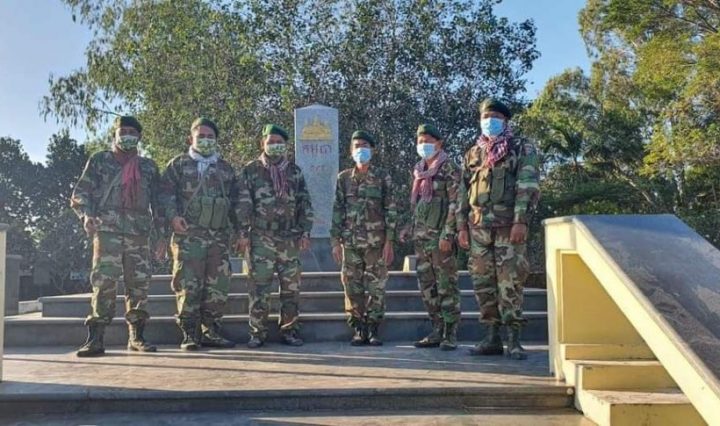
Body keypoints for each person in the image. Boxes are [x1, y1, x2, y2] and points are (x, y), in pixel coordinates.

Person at [71, 115, 164, 357]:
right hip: (107, 231)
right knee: (104, 283)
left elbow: (159, 203)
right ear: (114, 134)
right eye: (123, 132)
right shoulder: (100, 161)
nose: (127, 136)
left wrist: (162, 236)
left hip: (138, 233)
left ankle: (137, 337)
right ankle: (96, 339)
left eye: (132, 132)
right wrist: (86, 215)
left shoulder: (148, 167)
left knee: (139, 285)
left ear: (139, 137)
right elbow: (81, 193)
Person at [457, 98, 540, 360]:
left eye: (494, 117)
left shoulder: (521, 147)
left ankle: (514, 340)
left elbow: (527, 185)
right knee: (483, 283)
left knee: (510, 282)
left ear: (505, 121)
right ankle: (491, 337)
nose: (489, 121)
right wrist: (461, 227)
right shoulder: (473, 153)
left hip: (508, 227)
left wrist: (520, 221)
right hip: (478, 229)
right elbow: (462, 192)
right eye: (485, 117)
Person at [161, 117, 238, 350]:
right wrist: (173, 217)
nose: (206, 140)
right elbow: (165, 194)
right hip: (188, 235)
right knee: (188, 284)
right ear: (190, 139)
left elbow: (237, 200)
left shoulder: (225, 168)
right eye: (201, 136)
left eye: (210, 137)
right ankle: (189, 333)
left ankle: (210, 330)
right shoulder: (178, 165)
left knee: (218, 286)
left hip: (218, 237)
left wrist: (239, 231)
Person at [237, 124, 314, 348]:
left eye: (279, 142)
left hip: (289, 237)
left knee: (291, 288)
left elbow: (304, 203)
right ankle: (257, 333)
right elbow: (243, 204)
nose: (275, 145)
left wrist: (305, 231)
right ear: (262, 143)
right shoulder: (251, 170)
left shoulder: (294, 171)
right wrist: (242, 233)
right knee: (259, 288)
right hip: (261, 237)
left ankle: (289, 331)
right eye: (271, 142)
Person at [330, 130, 397, 346]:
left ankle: (374, 328)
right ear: (351, 151)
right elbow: (338, 211)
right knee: (352, 287)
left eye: (365, 146)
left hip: (376, 244)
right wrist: (335, 242)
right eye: (357, 146)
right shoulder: (343, 179)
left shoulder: (382, 177)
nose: (361, 150)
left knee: (377, 287)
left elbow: (390, 210)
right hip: (350, 243)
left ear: (372, 150)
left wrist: (390, 242)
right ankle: (359, 328)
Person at [401, 124, 462, 351]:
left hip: (440, 239)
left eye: (428, 141)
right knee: (427, 287)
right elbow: (418, 205)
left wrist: (448, 234)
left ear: (439, 143)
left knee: (446, 286)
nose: (423, 145)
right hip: (421, 240)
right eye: (420, 142)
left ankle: (450, 333)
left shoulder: (449, 168)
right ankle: (437, 329)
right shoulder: (419, 170)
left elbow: (456, 203)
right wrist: (409, 226)